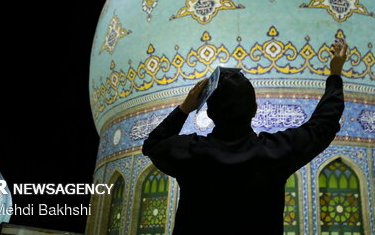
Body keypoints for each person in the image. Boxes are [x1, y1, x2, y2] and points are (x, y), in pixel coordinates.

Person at [142, 38, 348, 235]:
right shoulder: (275, 152)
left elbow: (152, 144)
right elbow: (324, 125)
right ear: (255, 109)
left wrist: (184, 108)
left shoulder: (190, 153)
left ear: (210, 113)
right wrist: (335, 74)